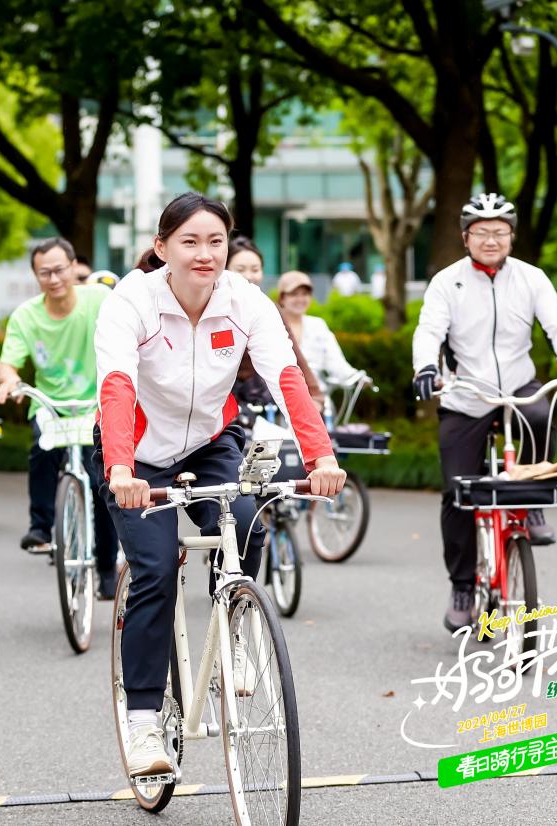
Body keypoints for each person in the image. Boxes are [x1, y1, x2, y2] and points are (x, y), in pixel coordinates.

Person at [94, 193, 345, 776]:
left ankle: (233, 621)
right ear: (162, 249)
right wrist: (122, 470)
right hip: (137, 453)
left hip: (210, 440)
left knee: (248, 517)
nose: (205, 254)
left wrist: (321, 456)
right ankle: (143, 724)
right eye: (190, 242)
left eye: (216, 241)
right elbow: (115, 384)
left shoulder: (244, 301)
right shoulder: (131, 301)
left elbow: (287, 377)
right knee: (156, 572)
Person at [412, 193, 557, 633]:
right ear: (466, 237)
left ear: (511, 236)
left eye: (500, 232)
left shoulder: (531, 278)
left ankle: (530, 506)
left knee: (542, 413)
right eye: (482, 232)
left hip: (517, 383)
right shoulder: (445, 282)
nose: (491, 239)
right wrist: (426, 368)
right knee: (457, 493)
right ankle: (463, 587)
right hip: (465, 393)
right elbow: (429, 329)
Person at [0, 237, 118, 595]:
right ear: (36, 276)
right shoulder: (26, 316)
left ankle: (107, 567)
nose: (53, 278)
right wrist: (10, 381)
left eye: (60, 269)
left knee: (102, 485)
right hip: (51, 405)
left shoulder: (100, 300)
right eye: (44, 272)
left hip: (96, 405)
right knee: (41, 453)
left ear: (74, 266)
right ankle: (40, 527)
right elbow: (9, 363)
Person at [225, 240, 325, 411]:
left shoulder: (268, 308)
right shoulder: (213, 307)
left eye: (255, 269)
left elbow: (291, 350)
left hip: (257, 396)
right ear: (225, 270)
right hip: (220, 398)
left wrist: (314, 394)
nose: (249, 275)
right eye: (240, 269)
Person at [277, 271, 361, 388]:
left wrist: (356, 377)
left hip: (318, 395)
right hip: (280, 395)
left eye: (305, 294)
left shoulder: (317, 325)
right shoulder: (273, 325)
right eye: (294, 294)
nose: (300, 299)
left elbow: (335, 360)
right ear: (282, 298)